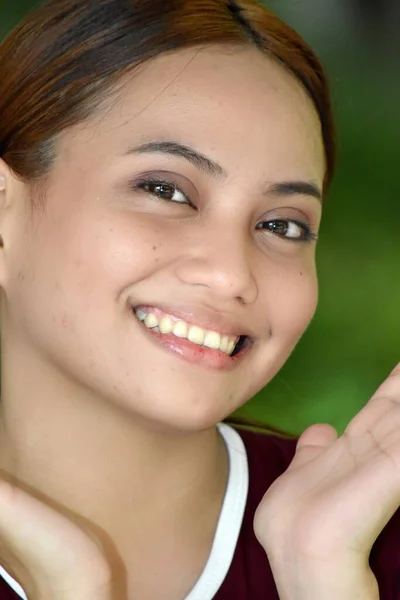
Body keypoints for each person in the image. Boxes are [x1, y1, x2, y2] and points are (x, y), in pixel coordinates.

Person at [0, 0, 398, 598]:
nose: (230, 274)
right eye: (166, 190)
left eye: (282, 225)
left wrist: (322, 578)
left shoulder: (368, 547)